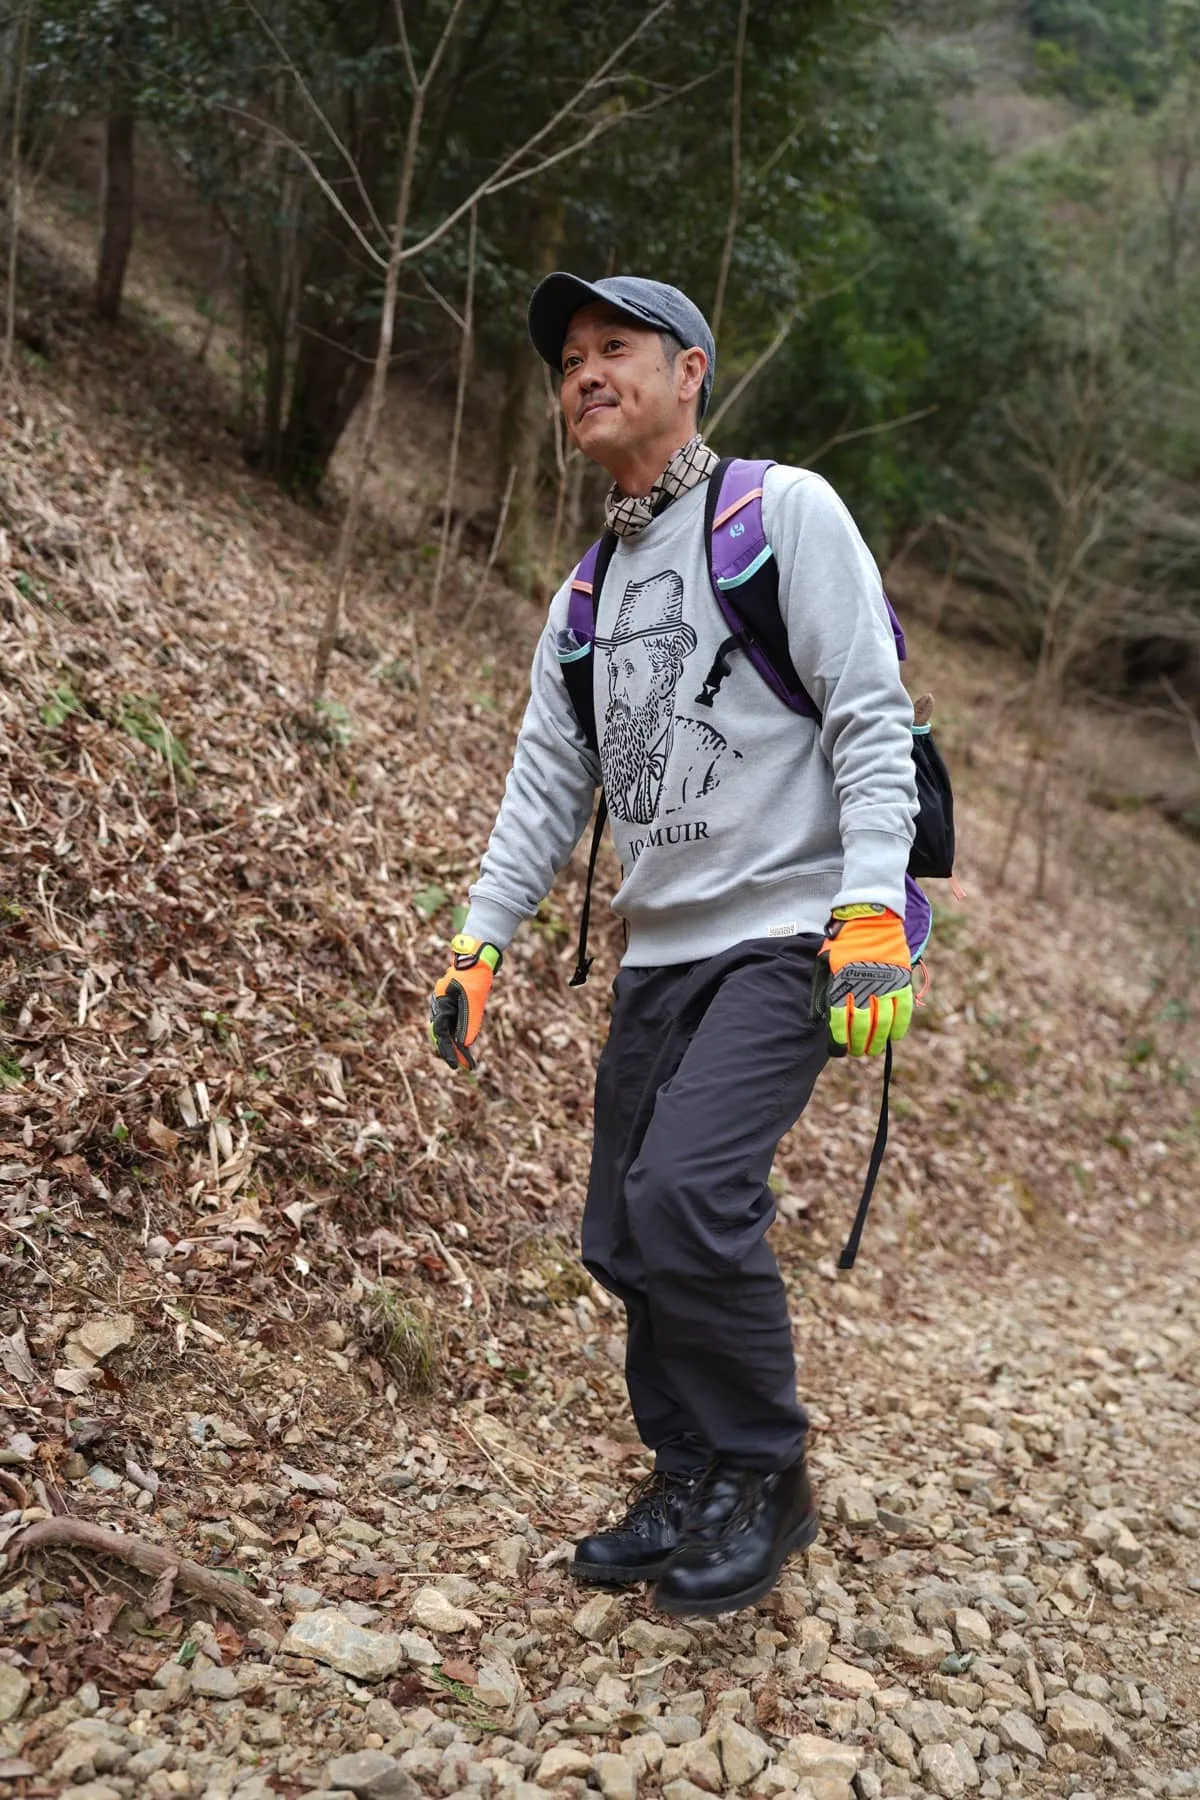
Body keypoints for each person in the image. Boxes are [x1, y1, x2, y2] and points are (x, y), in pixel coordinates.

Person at [428, 273, 918, 1617]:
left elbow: (869, 712)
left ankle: (766, 1473)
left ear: (691, 368)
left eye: (615, 347)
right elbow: (545, 785)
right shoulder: (585, 597)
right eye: (568, 360)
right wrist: (479, 941)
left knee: (690, 1192)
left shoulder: (781, 515)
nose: (584, 373)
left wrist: (873, 908)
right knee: (626, 1230)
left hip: (790, 930)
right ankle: (691, 1472)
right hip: (659, 952)